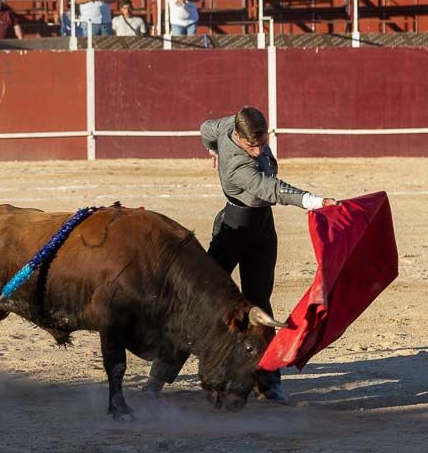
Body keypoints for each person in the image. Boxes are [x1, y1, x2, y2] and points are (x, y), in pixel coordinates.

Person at [144, 107, 336, 404]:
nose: (259, 151)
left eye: (262, 143)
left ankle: (267, 382)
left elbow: (205, 129)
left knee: (261, 304)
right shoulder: (237, 165)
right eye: (252, 146)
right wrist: (315, 201)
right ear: (238, 136)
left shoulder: (227, 126)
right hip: (234, 230)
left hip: (262, 229)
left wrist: (211, 150)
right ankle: (157, 378)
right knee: (197, 304)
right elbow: (270, 188)